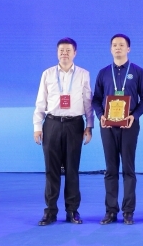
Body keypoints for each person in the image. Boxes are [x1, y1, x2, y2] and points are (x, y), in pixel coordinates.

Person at [33, 37, 94, 226]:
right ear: (57, 53)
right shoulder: (48, 74)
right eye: (61, 50)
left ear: (75, 53)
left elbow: (88, 102)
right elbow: (40, 102)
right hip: (51, 124)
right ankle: (50, 211)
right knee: (51, 170)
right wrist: (37, 127)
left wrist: (89, 126)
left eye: (68, 50)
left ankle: (72, 211)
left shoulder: (83, 74)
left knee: (72, 169)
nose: (64, 53)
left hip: (74, 125)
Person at [92, 34, 143, 225]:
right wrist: (100, 115)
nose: (118, 48)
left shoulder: (138, 71)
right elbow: (96, 99)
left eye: (122, 45)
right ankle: (110, 211)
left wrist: (135, 116)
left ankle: (128, 211)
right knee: (110, 169)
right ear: (111, 49)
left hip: (129, 124)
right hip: (107, 125)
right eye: (115, 45)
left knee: (128, 168)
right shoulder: (103, 73)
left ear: (128, 49)